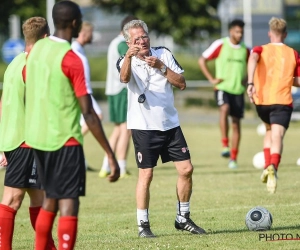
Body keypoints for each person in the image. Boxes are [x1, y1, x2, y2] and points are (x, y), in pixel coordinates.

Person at [24, 1, 120, 249]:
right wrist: (110, 154)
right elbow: (88, 113)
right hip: (64, 139)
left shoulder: (36, 51)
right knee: (68, 203)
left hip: (38, 139)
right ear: (75, 23)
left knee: (50, 201)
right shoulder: (71, 59)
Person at [118, 20, 206, 238]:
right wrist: (129, 56)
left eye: (144, 37)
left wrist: (161, 67)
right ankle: (143, 225)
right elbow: (124, 78)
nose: (142, 41)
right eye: (136, 39)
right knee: (146, 175)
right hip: (144, 127)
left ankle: (182, 218)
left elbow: (182, 83)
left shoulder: (163, 54)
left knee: (186, 170)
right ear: (129, 42)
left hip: (170, 125)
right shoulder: (124, 60)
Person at [0, 17, 56, 250]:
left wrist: (2, 144)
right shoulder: (33, 65)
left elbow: (4, 102)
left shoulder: (14, 63)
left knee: (39, 198)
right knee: (12, 199)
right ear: (44, 38)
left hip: (14, 140)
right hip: (28, 143)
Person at [247, 17, 300, 194]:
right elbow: (298, 80)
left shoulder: (260, 49)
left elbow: (253, 58)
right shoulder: (293, 53)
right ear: (285, 34)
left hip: (262, 101)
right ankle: (273, 167)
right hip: (282, 101)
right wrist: (286, 80)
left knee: (269, 131)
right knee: (277, 135)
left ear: (270, 33)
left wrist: (250, 83)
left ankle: (266, 166)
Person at [198, 19, 249, 169]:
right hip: (222, 87)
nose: (240, 35)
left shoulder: (246, 49)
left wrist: (247, 80)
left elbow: (255, 64)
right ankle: (225, 144)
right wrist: (211, 79)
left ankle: (233, 158)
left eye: (241, 32)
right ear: (231, 31)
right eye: (237, 32)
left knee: (236, 123)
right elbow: (202, 60)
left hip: (238, 91)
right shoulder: (221, 44)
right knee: (224, 108)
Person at [99, 15, 137, 179]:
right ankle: (121, 167)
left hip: (113, 89)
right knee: (127, 129)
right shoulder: (122, 44)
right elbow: (128, 59)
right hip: (122, 90)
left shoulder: (114, 41)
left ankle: (105, 165)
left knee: (117, 129)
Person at [71, 21, 103, 171]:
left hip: (84, 90)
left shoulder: (80, 49)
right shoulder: (75, 49)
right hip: (82, 91)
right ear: (84, 33)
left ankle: (77, 154)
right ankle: (73, 141)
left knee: (90, 119)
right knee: (96, 116)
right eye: (91, 33)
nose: (92, 36)